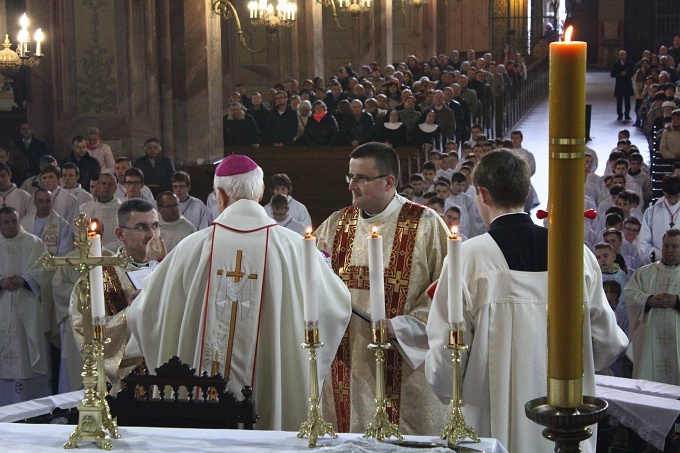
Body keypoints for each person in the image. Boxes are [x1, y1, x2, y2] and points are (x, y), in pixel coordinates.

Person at [126, 154, 351, 430]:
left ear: (219, 194)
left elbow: (148, 312)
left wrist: (141, 303)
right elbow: (335, 307)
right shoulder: (295, 248)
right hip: (271, 391)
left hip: (204, 409)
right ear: (260, 192)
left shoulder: (192, 247)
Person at [425, 150, 627, 453]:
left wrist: (451, 391)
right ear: (527, 191)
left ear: (482, 194)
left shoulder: (468, 257)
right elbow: (607, 340)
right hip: (566, 415)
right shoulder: (577, 254)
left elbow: (446, 354)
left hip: (490, 411)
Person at [315, 142, 450, 434]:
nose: (352, 185)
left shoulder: (425, 226)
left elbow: (445, 293)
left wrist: (402, 326)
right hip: (346, 369)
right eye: (350, 177)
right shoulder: (336, 225)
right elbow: (315, 282)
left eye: (361, 178)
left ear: (389, 181)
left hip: (404, 367)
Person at [69, 199, 161, 393]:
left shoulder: (170, 272)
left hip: (168, 383)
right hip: (124, 387)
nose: (151, 235)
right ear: (120, 234)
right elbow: (84, 332)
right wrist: (130, 314)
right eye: (141, 227)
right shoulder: (98, 278)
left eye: (155, 226)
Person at [0, 207, 51, 406]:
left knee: (27, 348)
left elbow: (45, 269)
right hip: (3, 304)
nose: (10, 226)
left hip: (27, 307)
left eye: (13, 221)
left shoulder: (33, 243)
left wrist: (25, 279)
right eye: (5, 222)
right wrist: (2, 282)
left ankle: (32, 405)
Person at [624, 229, 680, 384]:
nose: (669, 250)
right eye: (666, 246)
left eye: (675, 246)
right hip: (649, 342)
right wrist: (648, 300)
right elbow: (629, 295)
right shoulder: (644, 273)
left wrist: (677, 302)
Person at [21, 188, 74, 257]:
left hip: (52, 266)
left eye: (48, 201)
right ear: (35, 203)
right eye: (41, 201)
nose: (44, 205)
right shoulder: (24, 222)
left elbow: (65, 253)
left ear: (53, 202)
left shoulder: (63, 225)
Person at [640, 174, 680, 261]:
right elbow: (643, 243)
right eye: (669, 197)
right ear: (663, 192)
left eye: (676, 196)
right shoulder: (651, 213)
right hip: (658, 263)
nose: (672, 200)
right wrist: (661, 256)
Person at [80, 173, 121, 250]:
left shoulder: (121, 210)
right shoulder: (86, 208)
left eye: (110, 184)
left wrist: (102, 249)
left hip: (112, 256)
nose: (106, 187)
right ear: (98, 186)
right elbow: (80, 234)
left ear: (115, 188)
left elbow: (122, 239)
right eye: (103, 183)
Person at [611, 50, 636, 121]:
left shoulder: (630, 64)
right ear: (619, 56)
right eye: (621, 55)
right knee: (619, 102)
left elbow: (633, 72)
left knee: (627, 101)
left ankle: (627, 115)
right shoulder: (615, 65)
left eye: (623, 55)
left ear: (626, 55)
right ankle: (619, 115)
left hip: (627, 85)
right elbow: (612, 74)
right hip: (619, 85)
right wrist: (619, 74)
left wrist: (627, 73)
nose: (622, 56)